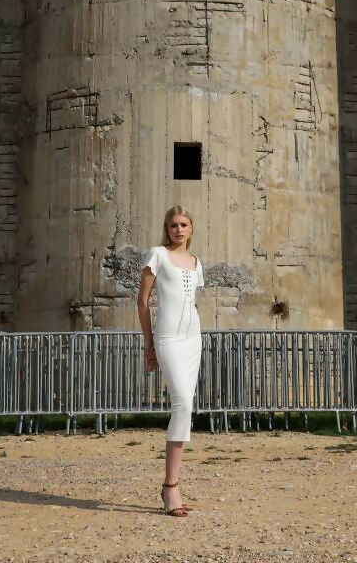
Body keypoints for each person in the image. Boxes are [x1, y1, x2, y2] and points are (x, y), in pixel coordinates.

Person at [137, 206, 204, 517]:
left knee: (186, 404)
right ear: (166, 228)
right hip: (168, 339)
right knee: (183, 404)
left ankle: (171, 485)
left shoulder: (195, 262)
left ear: (191, 229)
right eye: (173, 225)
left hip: (193, 338)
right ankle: (169, 487)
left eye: (184, 224)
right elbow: (143, 302)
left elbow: (190, 301)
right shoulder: (157, 255)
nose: (178, 229)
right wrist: (149, 345)